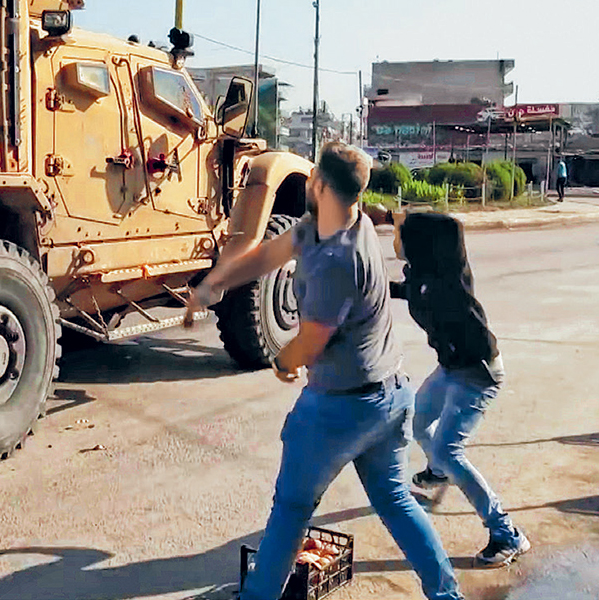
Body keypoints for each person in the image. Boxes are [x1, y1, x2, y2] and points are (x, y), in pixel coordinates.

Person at [186, 142, 464, 600]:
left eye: (312, 175)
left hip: (344, 407)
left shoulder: (339, 257)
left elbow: (312, 339)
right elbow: (265, 255)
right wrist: (214, 283)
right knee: (395, 501)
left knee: (291, 509)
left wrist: (284, 361)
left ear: (319, 184)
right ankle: (446, 594)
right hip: (391, 397)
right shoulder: (327, 226)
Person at [389, 210, 531, 567]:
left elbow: (452, 227)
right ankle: (439, 471)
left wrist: (399, 215)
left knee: (450, 450)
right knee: (418, 421)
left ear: (419, 243)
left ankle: (507, 534)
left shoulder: (450, 278)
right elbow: (405, 290)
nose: (395, 240)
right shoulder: (422, 278)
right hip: (451, 368)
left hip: (478, 373)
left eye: (400, 235)